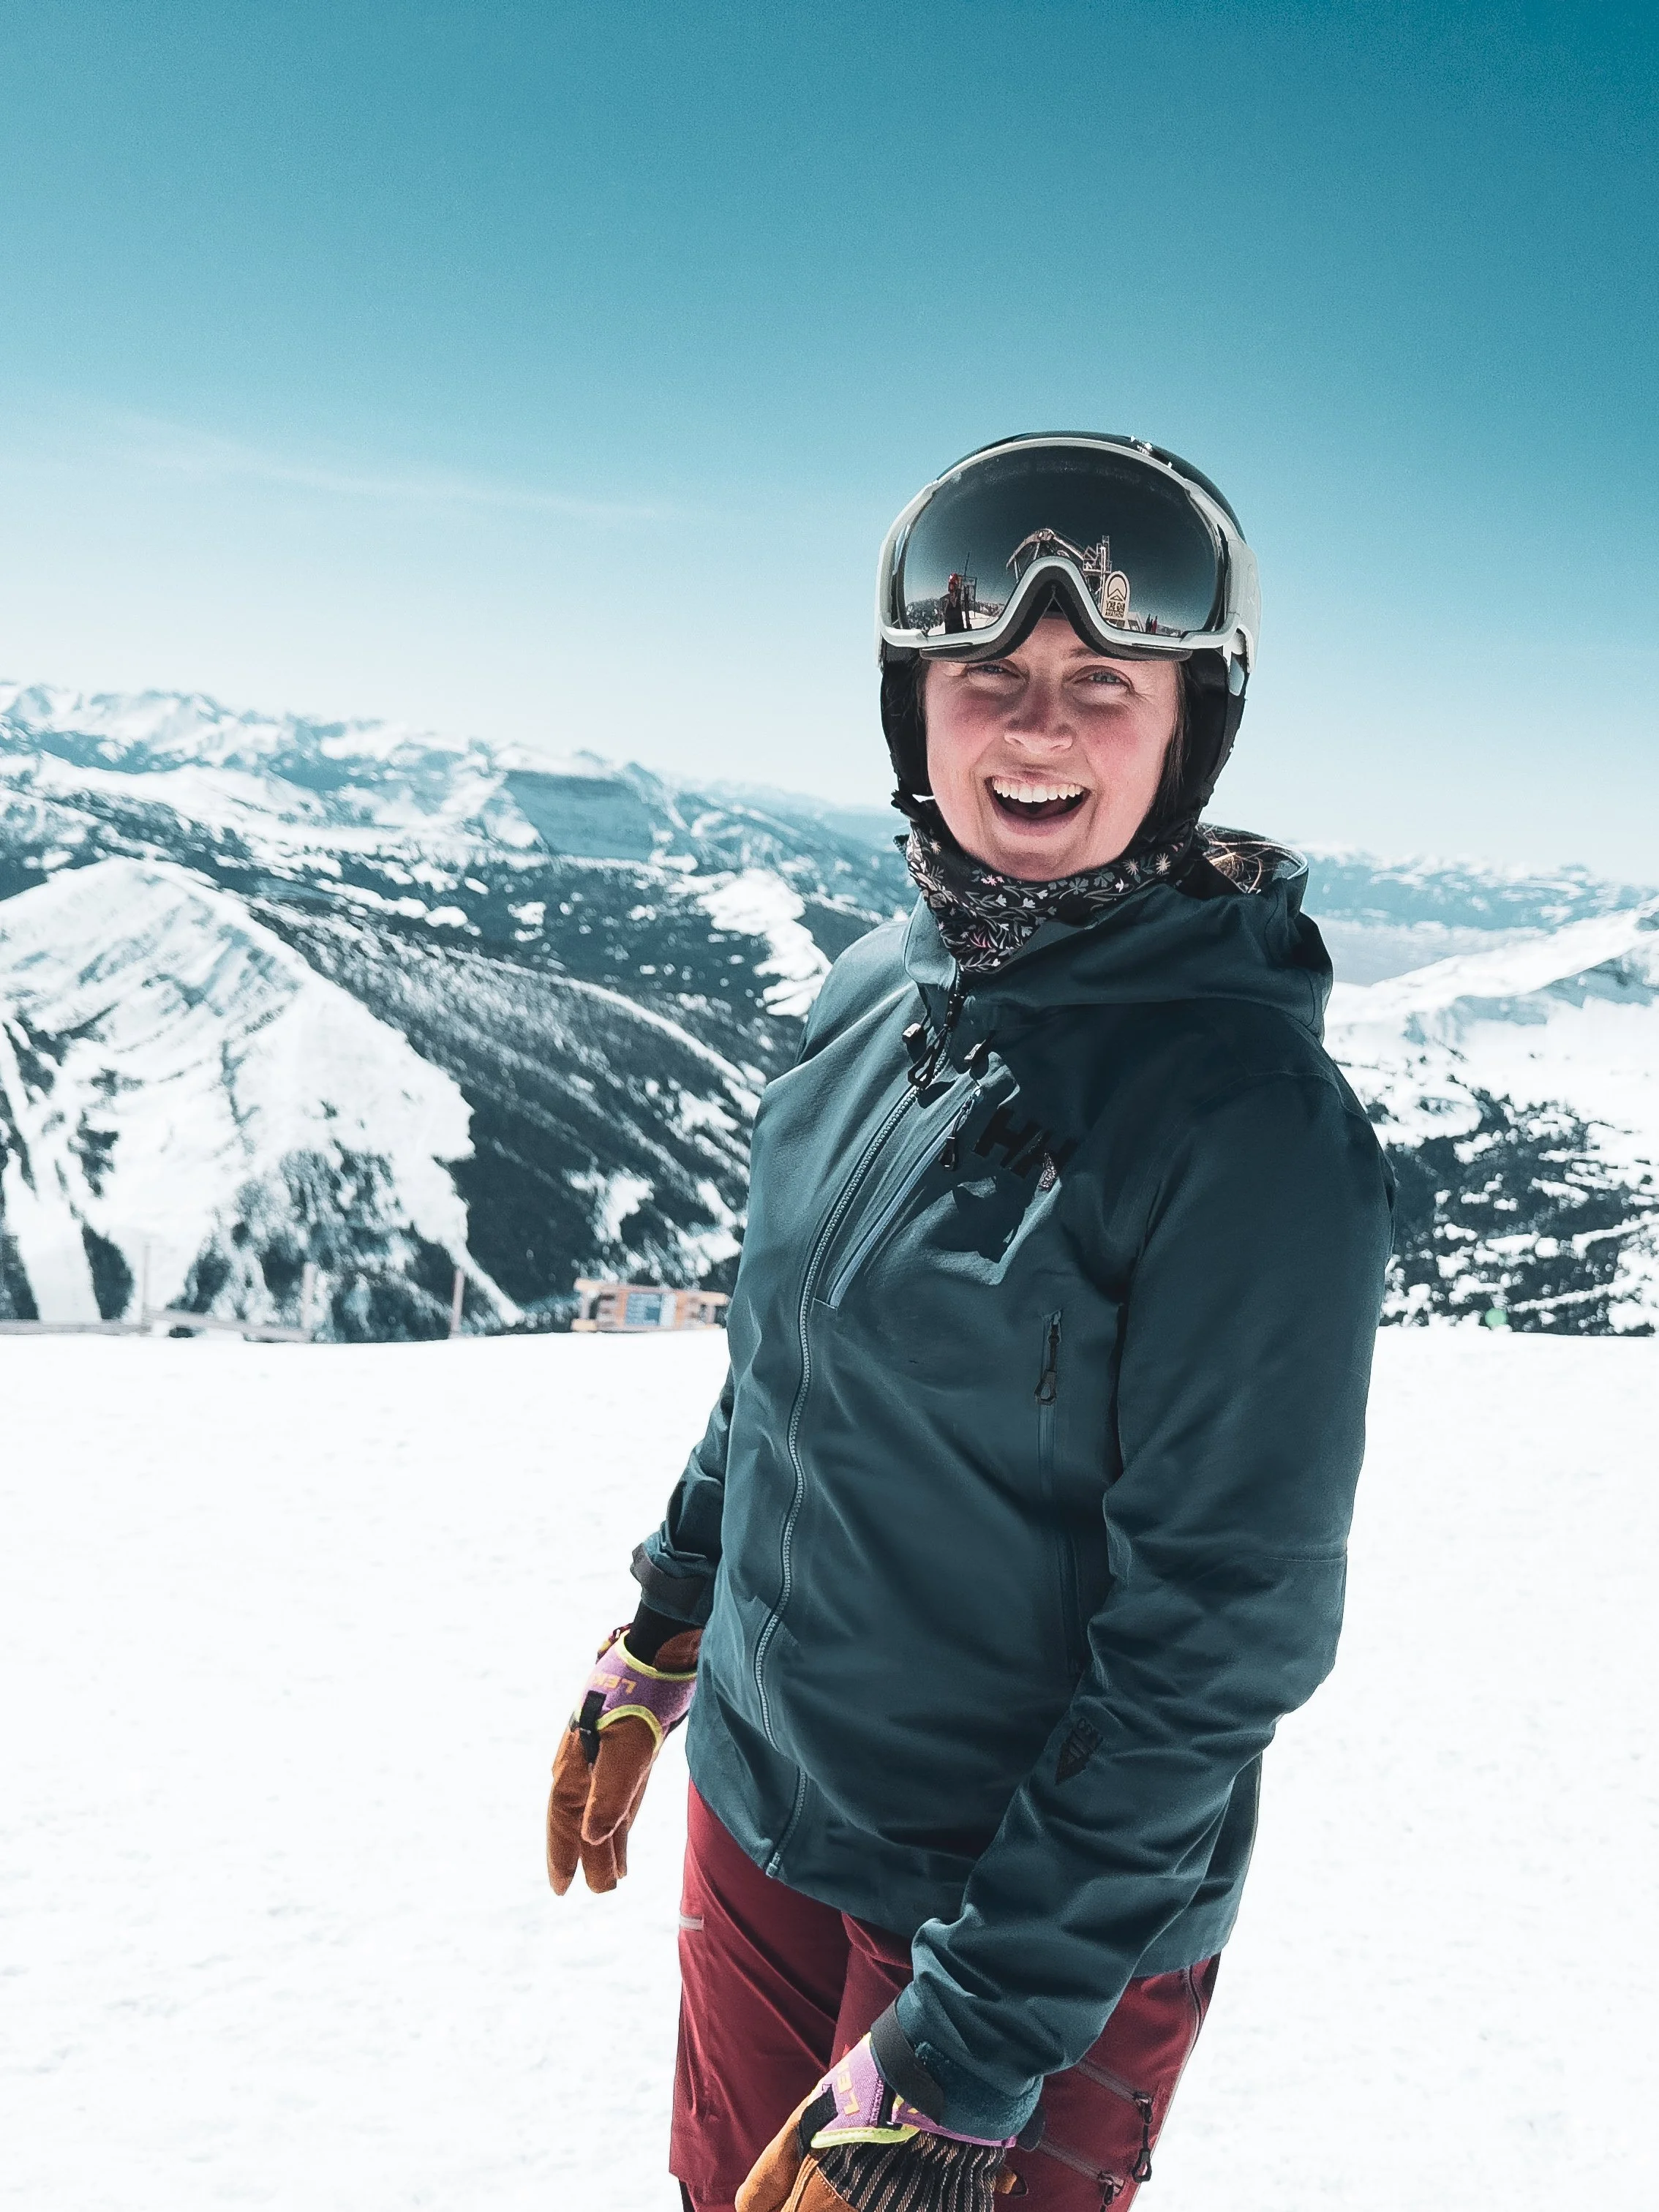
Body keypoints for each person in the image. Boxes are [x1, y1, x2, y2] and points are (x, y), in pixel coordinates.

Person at [547, 432, 1395, 2211]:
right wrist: (668, 1627)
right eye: (988, 675)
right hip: (768, 1812)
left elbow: (1216, 1643)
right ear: (911, 706)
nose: (1037, 727)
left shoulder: (1247, 1127)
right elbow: (785, 1360)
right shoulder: (881, 987)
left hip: (1019, 1931)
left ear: (1190, 727)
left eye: (1105, 684)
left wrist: (974, 2045)